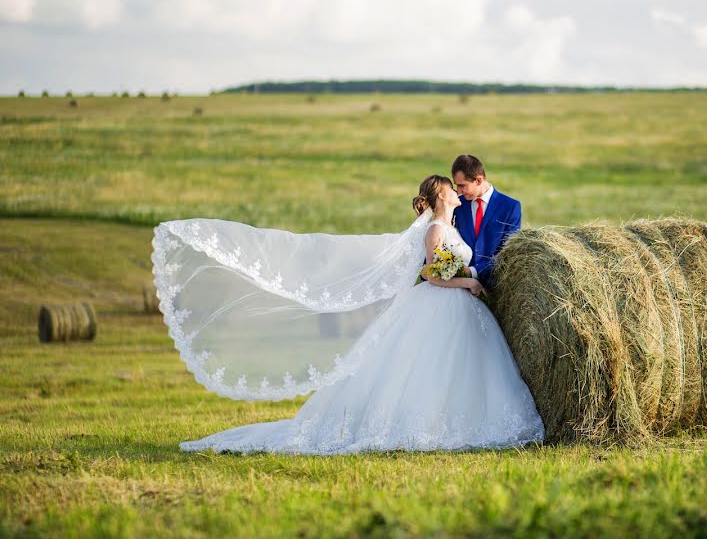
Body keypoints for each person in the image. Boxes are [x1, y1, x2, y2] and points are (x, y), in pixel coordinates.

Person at [152, 174, 544, 455]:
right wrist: (469, 284)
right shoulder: (435, 232)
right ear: (441, 196)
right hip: (443, 304)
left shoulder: (449, 225)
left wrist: (467, 280)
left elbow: (444, 269)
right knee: (429, 369)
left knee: (457, 370)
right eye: (452, 190)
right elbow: (432, 276)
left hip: (457, 309)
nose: (459, 194)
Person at [451, 155, 522, 291]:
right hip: (459, 289)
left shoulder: (510, 207)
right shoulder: (457, 206)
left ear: (478, 180)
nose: (458, 191)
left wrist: (472, 271)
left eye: (462, 186)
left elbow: (507, 254)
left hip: (495, 289)